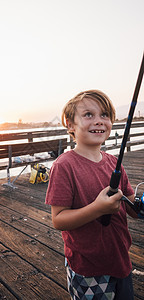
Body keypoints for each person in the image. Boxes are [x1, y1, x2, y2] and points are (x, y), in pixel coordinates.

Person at [45, 90, 138, 300]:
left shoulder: (115, 163)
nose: (99, 121)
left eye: (104, 115)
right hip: (88, 267)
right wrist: (98, 208)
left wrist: (140, 206)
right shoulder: (64, 165)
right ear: (70, 125)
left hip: (120, 257)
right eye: (88, 115)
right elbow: (58, 219)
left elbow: (131, 206)